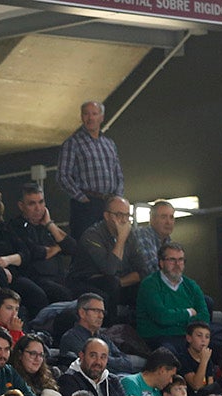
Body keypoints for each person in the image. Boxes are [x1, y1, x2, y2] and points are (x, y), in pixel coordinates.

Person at [57, 101, 123, 240]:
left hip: (110, 204)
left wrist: (118, 199)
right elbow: (62, 176)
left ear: (101, 117)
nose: (90, 118)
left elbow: (118, 174)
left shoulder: (109, 144)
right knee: (87, 246)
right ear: (81, 117)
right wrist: (82, 198)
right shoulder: (72, 143)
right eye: (86, 114)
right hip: (86, 205)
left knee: (112, 244)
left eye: (94, 113)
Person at [135, 243, 209, 349]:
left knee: (221, 350)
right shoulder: (150, 284)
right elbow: (162, 317)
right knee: (173, 353)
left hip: (187, 336)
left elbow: (204, 317)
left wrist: (175, 318)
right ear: (161, 263)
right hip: (158, 337)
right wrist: (188, 313)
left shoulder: (191, 285)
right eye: (172, 260)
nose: (177, 264)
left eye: (181, 260)